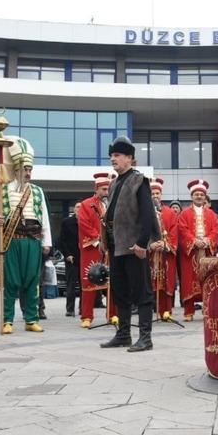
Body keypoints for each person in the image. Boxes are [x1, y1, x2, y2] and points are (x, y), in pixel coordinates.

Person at [99, 137, 156, 352]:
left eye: (117, 155)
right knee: (120, 290)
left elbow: (148, 214)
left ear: (129, 158)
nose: (113, 159)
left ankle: (145, 338)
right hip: (116, 245)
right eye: (112, 156)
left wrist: (142, 243)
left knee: (142, 291)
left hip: (134, 246)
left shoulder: (139, 180)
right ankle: (123, 334)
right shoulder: (114, 183)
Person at [0, 136, 51, 335]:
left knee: (32, 281)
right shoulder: (3, 189)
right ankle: (7, 320)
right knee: (11, 281)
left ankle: (31, 319)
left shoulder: (38, 191)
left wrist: (46, 242)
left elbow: (45, 218)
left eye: (29, 169)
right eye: (24, 169)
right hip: (12, 241)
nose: (28, 172)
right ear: (16, 169)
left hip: (33, 241)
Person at [77, 172, 117, 328]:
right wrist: (99, 239)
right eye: (104, 189)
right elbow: (84, 224)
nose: (106, 193)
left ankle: (113, 314)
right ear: (96, 189)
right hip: (92, 248)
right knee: (89, 280)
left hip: (111, 248)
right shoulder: (87, 204)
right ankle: (87, 316)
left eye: (108, 189)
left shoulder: (112, 204)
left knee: (112, 282)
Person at [177, 179, 218, 322]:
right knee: (189, 280)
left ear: (205, 197)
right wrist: (194, 241)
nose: (199, 196)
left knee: (208, 280)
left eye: (201, 194)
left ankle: (208, 310)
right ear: (191, 196)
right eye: (196, 194)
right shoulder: (184, 214)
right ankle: (188, 312)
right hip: (191, 252)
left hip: (206, 250)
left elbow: (215, 230)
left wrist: (207, 241)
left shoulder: (212, 214)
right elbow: (182, 230)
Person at [149, 177, 178, 320]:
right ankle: (151, 311)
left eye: (157, 193)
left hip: (166, 252)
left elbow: (174, 230)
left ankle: (167, 311)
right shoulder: (144, 212)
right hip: (151, 253)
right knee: (151, 281)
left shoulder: (170, 212)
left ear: (161, 194)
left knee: (167, 280)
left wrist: (166, 244)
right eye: (152, 193)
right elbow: (141, 230)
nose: (155, 196)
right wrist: (150, 244)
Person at [59, 202, 81, 317]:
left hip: (84, 257)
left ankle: (83, 308)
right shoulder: (66, 222)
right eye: (77, 207)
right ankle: (70, 309)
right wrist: (67, 255)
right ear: (74, 209)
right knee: (71, 285)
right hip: (71, 258)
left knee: (84, 285)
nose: (80, 209)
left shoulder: (86, 221)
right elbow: (62, 240)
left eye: (82, 207)